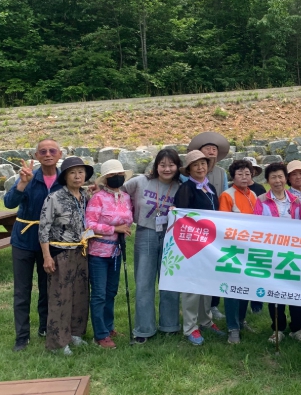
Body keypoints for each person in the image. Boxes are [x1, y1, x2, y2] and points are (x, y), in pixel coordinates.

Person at [4, 139, 63, 352]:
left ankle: (45, 327)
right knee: (22, 290)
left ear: (59, 154)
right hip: (25, 240)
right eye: (43, 151)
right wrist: (22, 184)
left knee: (48, 286)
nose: (48, 154)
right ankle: (22, 336)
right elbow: (9, 203)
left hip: (52, 241)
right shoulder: (28, 176)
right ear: (36, 155)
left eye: (52, 150)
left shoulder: (63, 180)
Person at [124, 148, 182, 344]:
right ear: (156, 166)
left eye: (171, 165)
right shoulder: (141, 181)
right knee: (144, 283)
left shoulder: (181, 187)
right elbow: (117, 191)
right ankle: (144, 329)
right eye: (162, 165)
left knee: (169, 282)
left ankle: (170, 325)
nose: (167, 169)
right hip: (146, 233)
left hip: (171, 236)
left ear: (177, 167)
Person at [38, 156, 95, 355]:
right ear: (65, 176)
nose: (77, 176)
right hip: (60, 251)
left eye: (81, 172)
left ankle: (76, 333)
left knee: (80, 294)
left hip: (81, 251)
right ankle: (58, 342)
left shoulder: (86, 196)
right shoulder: (54, 198)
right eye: (72, 172)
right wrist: (47, 256)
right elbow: (43, 229)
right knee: (60, 296)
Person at [254, 162, 301, 343]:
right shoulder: (261, 200)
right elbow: (256, 227)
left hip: (293, 254)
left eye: (280, 177)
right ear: (267, 180)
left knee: (295, 292)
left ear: (286, 178)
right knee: (275, 293)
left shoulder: (295, 201)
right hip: (271, 253)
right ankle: (278, 329)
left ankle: (297, 329)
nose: (277, 181)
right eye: (273, 177)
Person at [175, 150, 224, 346]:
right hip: (192, 244)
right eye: (195, 165)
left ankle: (205, 320)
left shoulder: (209, 187)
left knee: (207, 283)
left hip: (209, 244)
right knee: (192, 287)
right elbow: (182, 219)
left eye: (203, 163)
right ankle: (190, 327)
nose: (200, 167)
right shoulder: (186, 189)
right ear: (189, 169)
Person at [85, 160, 133, 349]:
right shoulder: (97, 198)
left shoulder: (125, 197)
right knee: (99, 294)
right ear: (105, 179)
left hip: (116, 251)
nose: (117, 178)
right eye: (112, 175)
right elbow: (89, 224)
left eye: (119, 175)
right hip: (98, 252)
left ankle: (109, 326)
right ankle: (100, 334)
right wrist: (114, 228)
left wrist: (123, 228)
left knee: (111, 291)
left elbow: (129, 219)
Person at [187, 131, 231, 320]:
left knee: (215, 267)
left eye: (214, 149)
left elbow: (224, 195)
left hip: (216, 226)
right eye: (208, 148)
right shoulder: (189, 179)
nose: (212, 151)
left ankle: (212, 306)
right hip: (196, 230)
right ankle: (194, 312)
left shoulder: (220, 174)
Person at [219, 159, 260, 344]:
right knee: (232, 288)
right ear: (233, 176)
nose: (244, 177)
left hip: (251, 248)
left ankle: (241, 320)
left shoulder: (254, 195)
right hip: (233, 248)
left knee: (246, 286)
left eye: (247, 174)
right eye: (240, 174)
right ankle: (232, 327)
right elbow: (223, 224)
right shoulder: (227, 195)